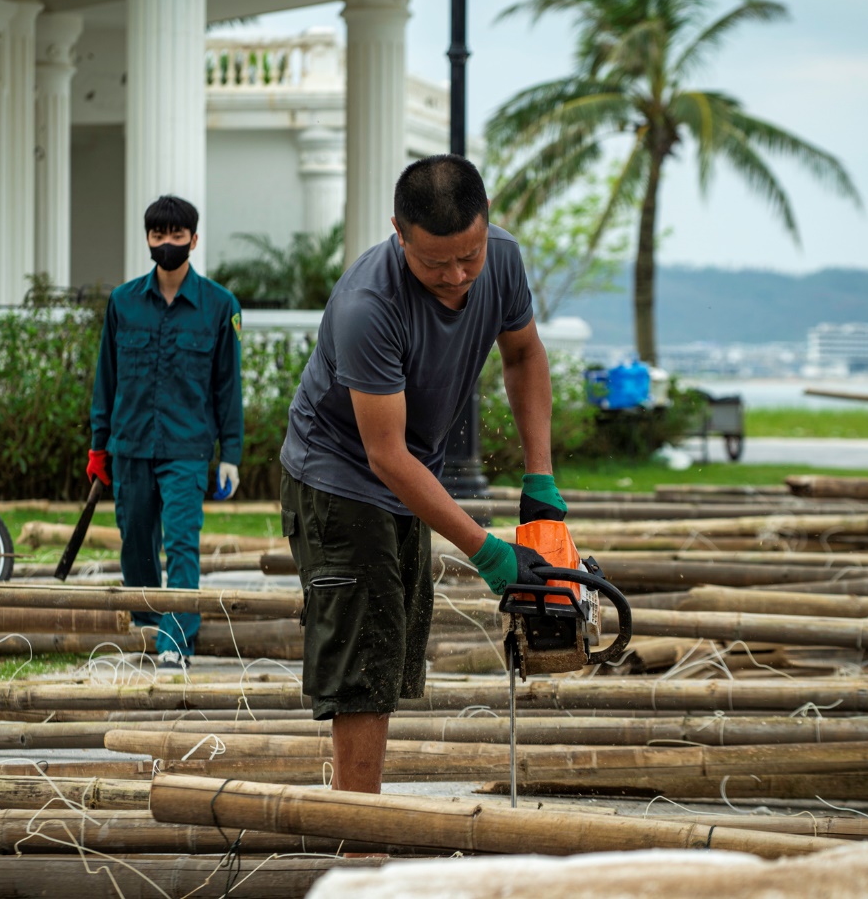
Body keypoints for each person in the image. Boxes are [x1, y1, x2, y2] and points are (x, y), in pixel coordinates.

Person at [278, 155, 568, 792]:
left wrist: (540, 481)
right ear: (398, 232)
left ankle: (364, 818)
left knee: (394, 645)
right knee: (363, 655)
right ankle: (360, 846)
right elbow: (385, 455)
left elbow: (523, 354)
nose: (457, 276)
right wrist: (487, 551)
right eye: (435, 263)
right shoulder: (368, 304)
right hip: (337, 478)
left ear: (486, 228)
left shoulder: (504, 260)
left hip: (409, 473)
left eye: (469, 256)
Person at [88, 195, 244, 672]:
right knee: (135, 542)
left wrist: (230, 454)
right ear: (149, 239)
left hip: (188, 449)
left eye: (178, 235)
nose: (168, 243)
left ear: (194, 241)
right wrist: (98, 446)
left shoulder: (220, 306)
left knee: (180, 542)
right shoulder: (123, 303)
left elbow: (228, 385)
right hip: (130, 445)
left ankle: (178, 641)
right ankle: (149, 627)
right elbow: (106, 379)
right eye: (159, 235)